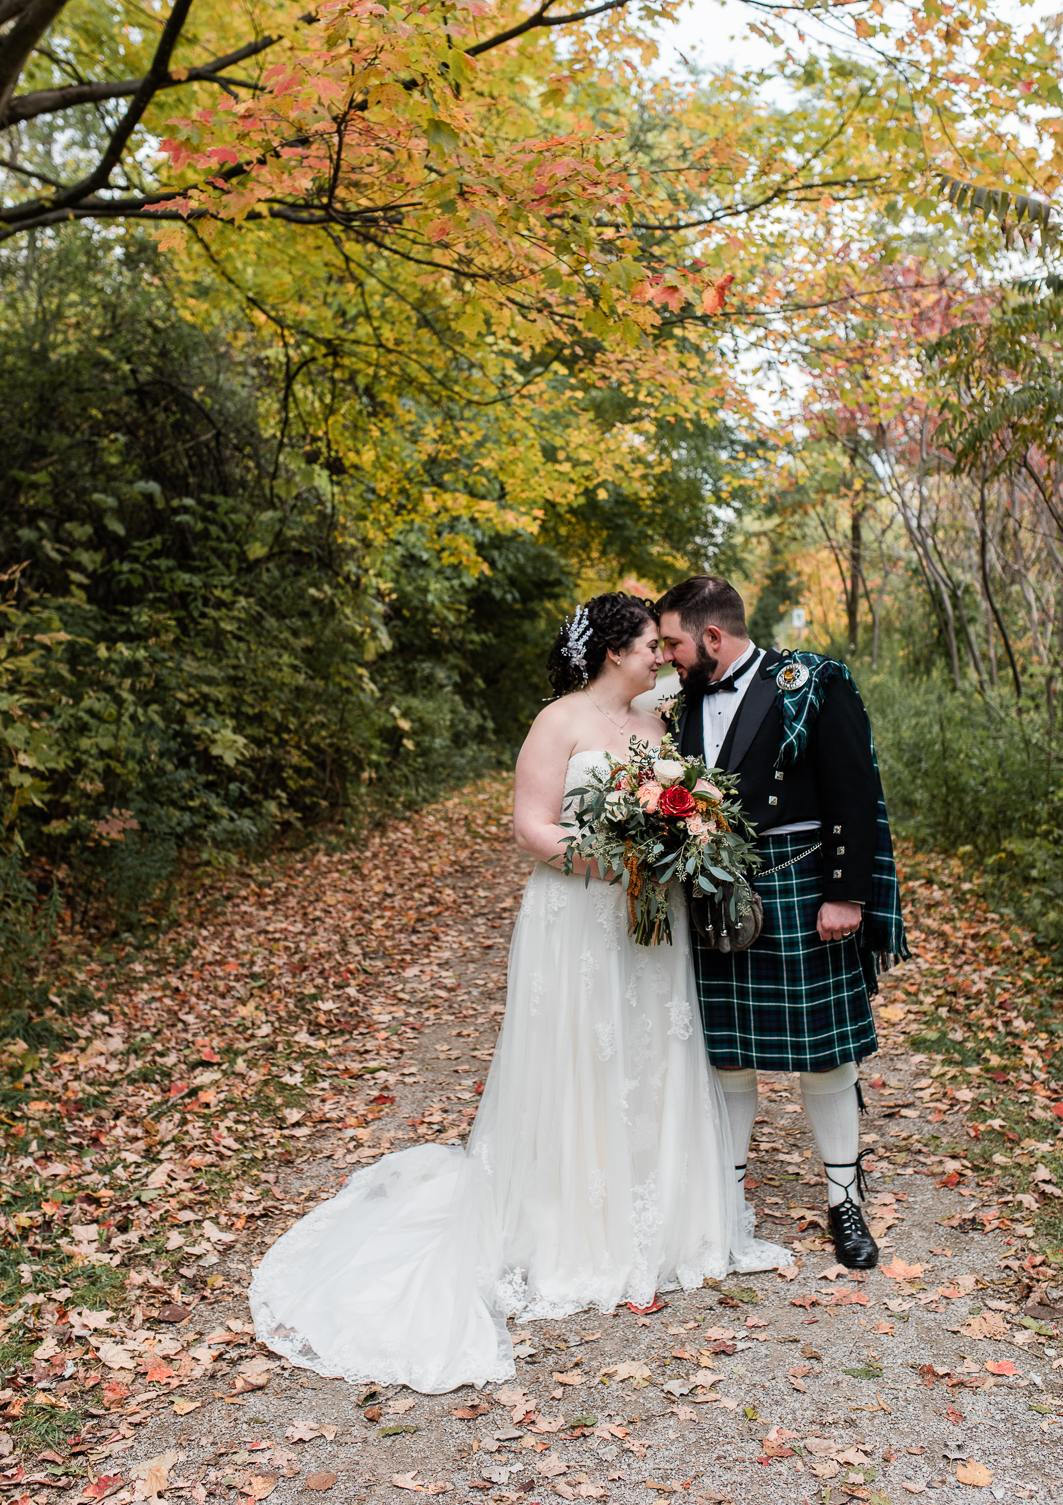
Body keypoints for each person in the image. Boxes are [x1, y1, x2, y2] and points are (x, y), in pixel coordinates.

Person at [249, 591, 787, 1397]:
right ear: (613, 651)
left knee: (650, 1050)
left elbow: (685, 809)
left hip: (652, 923)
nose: (659, 656)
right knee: (580, 1055)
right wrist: (617, 860)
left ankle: (661, 1226)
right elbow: (532, 826)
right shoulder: (559, 722)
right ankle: (571, 1232)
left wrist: (679, 843)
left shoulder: (656, 724)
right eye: (648, 644)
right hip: (579, 914)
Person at [655, 575, 910, 1270]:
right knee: (726, 1055)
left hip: (800, 886)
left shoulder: (812, 682)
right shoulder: (678, 705)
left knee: (826, 1057)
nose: (666, 656)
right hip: (713, 892)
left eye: (674, 642)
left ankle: (843, 1199)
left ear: (713, 636)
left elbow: (856, 789)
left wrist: (847, 893)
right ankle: (729, 1201)